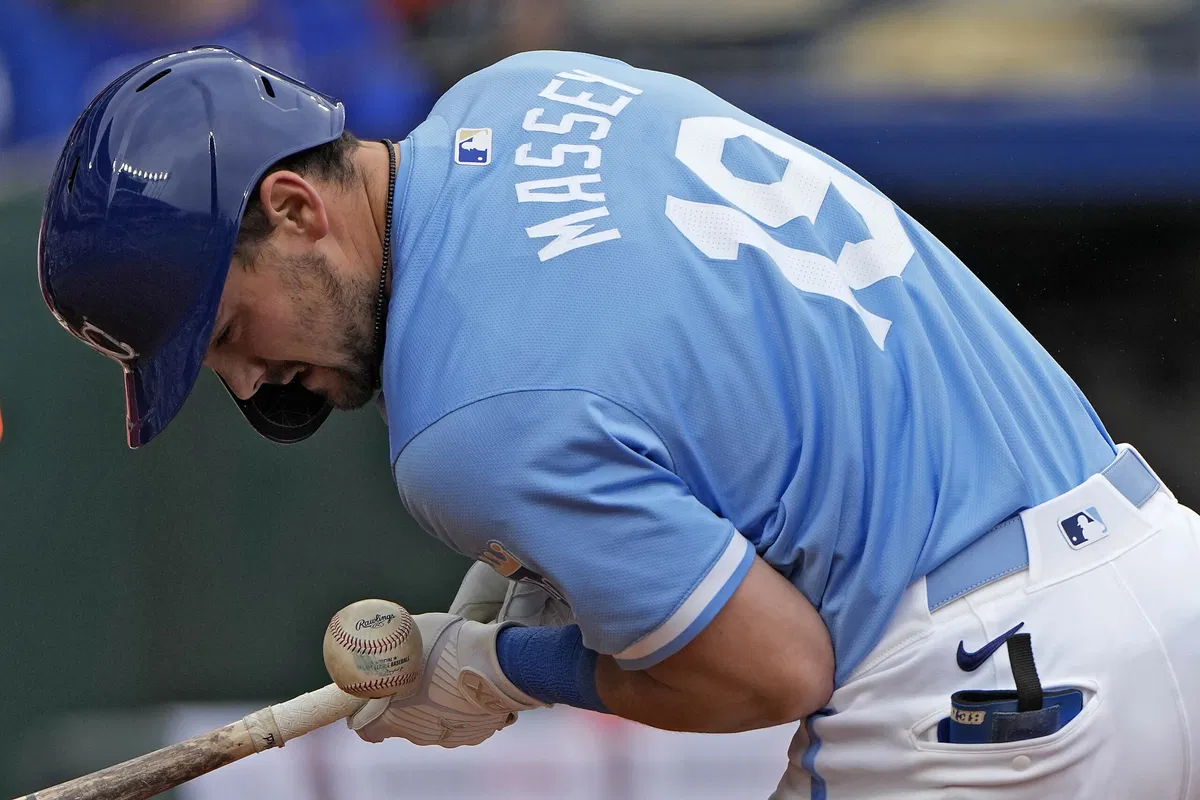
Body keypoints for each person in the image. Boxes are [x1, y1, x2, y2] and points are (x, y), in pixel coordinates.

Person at [36, 46, 1200, 798]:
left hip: (990, 703)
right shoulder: (528, 87)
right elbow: (663, 378)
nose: (248, 383)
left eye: (229, 328)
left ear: (294, 207)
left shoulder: (466, 430)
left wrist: (502, 666)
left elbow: (768, 671)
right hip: (1160, 570)